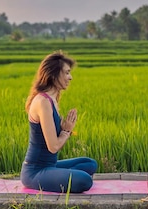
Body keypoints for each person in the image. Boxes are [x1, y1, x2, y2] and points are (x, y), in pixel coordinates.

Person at [20, 51, 98, 193]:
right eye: (67, 73)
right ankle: (57, 176)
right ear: (54, 74)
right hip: (34, 172)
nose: (71, 77)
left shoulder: (53, 99)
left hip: (50, 165)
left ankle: (56, 175)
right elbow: (53, 147)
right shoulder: (43, 101)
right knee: (85, 180)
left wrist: (63, 129)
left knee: (90, 164)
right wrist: (66, 131)